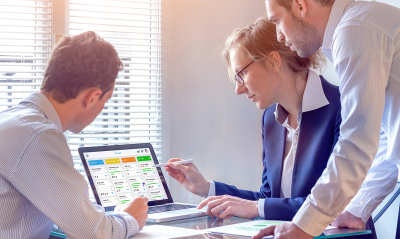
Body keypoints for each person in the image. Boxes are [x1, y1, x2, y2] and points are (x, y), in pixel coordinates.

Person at [165, 17, 378, 237]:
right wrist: (207, 188)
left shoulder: (344, 107)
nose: (238, 89)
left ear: (273, 61)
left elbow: (337, 206)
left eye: (242, 74)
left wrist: (257, 207)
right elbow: (269, 199)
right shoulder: (271, 119)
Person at [253, 0, 400, 238]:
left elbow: (356, 142)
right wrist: (355, 209)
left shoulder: (355, 28)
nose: (278, 36)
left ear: (300, 5)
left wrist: (304, 225)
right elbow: (387, 139)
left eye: (278, 20)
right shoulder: (358, 25)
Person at [0, 31, 148, 239]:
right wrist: (128, 218)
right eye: (105, 101)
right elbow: (95, 233)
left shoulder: (12, 122)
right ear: (92, 97)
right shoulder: (37, 136)